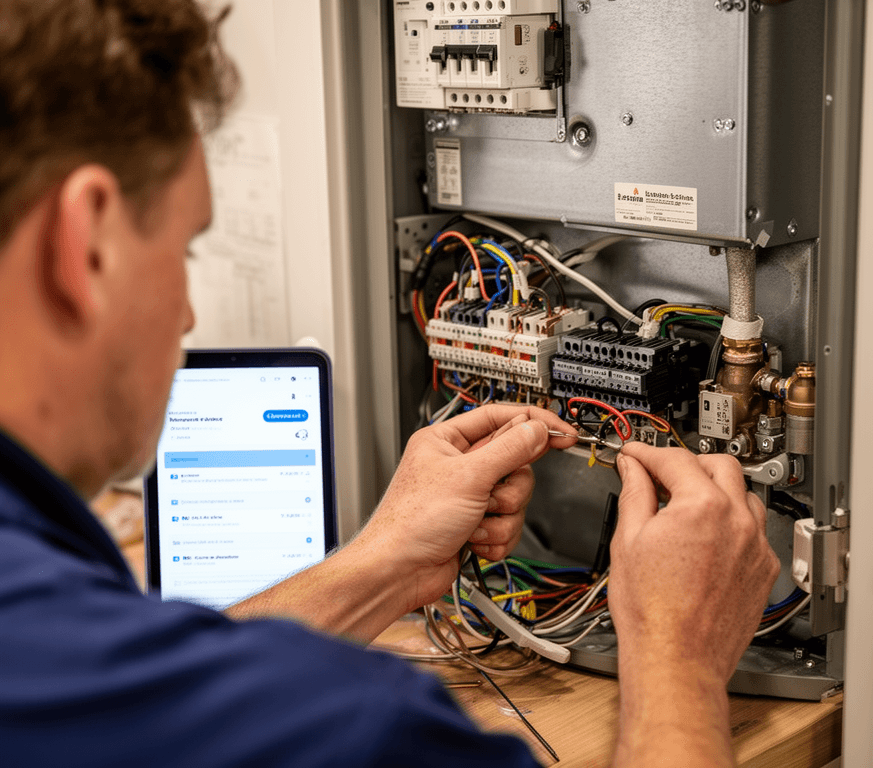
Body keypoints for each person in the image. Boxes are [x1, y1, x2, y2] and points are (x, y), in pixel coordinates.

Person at [0, 1, 779, 765]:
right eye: (185, 249)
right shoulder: (362, 729)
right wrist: (679, 654)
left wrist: (388, 562)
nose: (188, 311)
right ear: (88, 245)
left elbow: (162, 707)